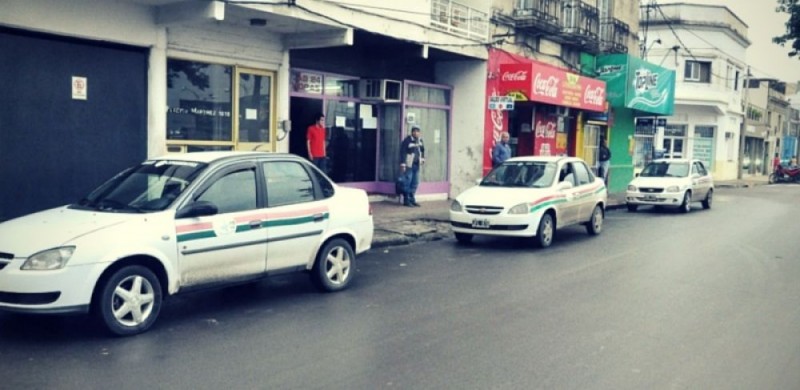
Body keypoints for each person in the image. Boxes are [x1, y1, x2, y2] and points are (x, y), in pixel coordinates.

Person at [399, 126, 425, 207]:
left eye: (417, 131)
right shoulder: (407, 140)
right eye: (414, 131)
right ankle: (406, 200)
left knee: (415, 182)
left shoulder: (420, 140)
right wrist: (403, 164)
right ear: (411, 132)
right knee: (407, 182)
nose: (416, 133)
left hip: (417, 164)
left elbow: (423, 150)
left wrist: (423, 159)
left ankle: (412, 199)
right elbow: (402, 152)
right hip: (409, 164)